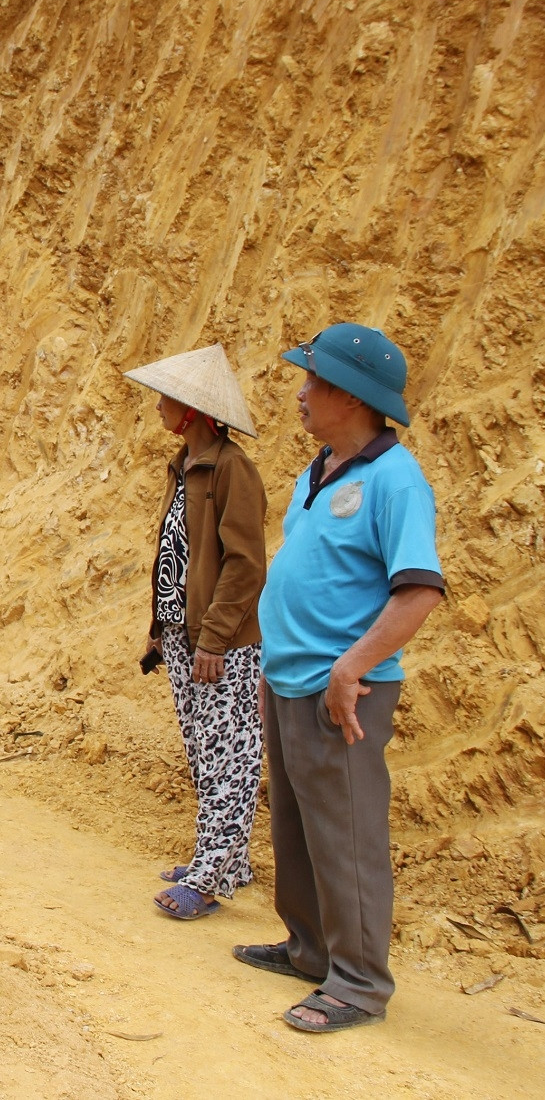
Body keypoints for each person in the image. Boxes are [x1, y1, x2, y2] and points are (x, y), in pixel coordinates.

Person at [235, 323, 444, 1034]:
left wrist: (351, 665)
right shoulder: (318, 468)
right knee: (296, 822)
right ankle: (309, 948)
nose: (299, 393)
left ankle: (356, 981)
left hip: (342, 689)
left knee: (347, 830)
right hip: (288, 676)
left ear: (351, 397)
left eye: (313, 381)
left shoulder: (394, 479)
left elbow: (416, 590)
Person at [125, 344, 268, 921]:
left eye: (168, 399)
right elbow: (176, 558)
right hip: (185, 635)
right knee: (204, 749)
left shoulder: (232, 468)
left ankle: (211, 875)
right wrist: (162, 629)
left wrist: (213, 637)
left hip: (222, 640)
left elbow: (244, 563)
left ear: (194, 412)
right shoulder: (184, 466)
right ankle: (225, 859)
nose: (158, 407)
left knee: (230, 749)